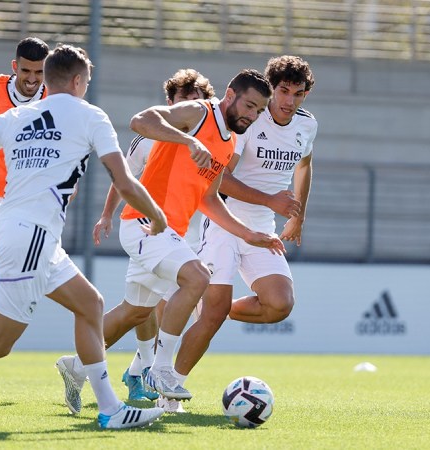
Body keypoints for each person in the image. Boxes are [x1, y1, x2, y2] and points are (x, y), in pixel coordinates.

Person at [56, 68, 299, 416]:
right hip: (144, 224)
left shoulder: (229, 141)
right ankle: (161, 370)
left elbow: (209, 199)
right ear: (230, 96)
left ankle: (76, 366)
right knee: (197, 277)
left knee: (135, 312)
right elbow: (140, 120)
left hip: (167, 232)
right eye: (249, 105)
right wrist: (189, 141)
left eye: (259, 110)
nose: (252, 115)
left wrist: (248, 233)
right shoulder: (199, 112)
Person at [0, 43, 167, 429]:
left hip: (16, 232)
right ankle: (111, 409)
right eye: (86, 80)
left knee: (90, 304)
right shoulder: (90, 115)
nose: (86, 86)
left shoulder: (16, 116)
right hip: (31, 239)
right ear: (76, 81)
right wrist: (157, 214)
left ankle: (110, 409)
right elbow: (125, 182)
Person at [173, 55, 317, 392]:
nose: (289, 101)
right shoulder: (249, 121)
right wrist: (270, 200)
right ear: (271, 89)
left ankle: (213, 306)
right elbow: (219, 179)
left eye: (298, 94)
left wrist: (298, 216)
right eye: (283, 91)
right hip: (225, 221)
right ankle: (171, 389)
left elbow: (304, 165)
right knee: (213, 316)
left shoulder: (307, 125)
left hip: (263, 226)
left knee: (280, 304)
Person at [112, 69, 216, 412]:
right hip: (152, 230)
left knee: (143, 309)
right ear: (170, 102)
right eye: (184, 100)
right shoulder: (150, 138)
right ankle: (157, 379)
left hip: (186, 235)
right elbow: (124, 177)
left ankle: (118, 369)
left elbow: (208, 191)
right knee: (160, 303)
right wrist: (106, 215)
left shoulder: (211, 139)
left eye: (198, 100)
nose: (192, 106)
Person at [0, 37, 49, 287]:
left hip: (18, 203)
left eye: (39, 72)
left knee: (0, 280)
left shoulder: (55, 101)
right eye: (26, 71)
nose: (32, 79)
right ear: (15, 66)